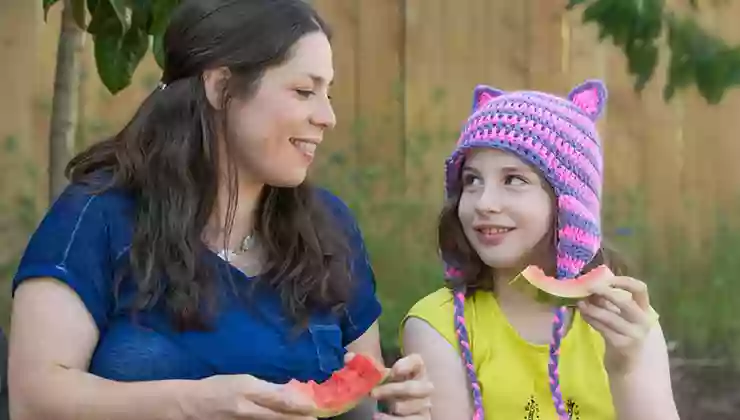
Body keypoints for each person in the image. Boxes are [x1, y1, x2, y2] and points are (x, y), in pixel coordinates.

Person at [8, 1, 432, 419]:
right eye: (304, 91)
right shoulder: (99, 215)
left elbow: (359, 397)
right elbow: (35, 398)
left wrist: (395, 408)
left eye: (328, 93)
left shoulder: (331, 229)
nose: (328, 117)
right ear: (220, 87)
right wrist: (193, 402)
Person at [400, 80, 680, 420]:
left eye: (513, 180)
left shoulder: (628, 324)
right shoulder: (435, 326)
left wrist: (626, 371)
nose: (484, 203)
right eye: (472, 180)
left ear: (570, 205)